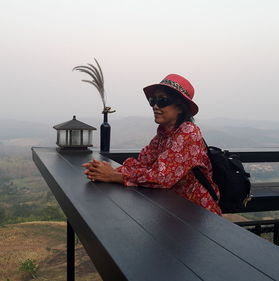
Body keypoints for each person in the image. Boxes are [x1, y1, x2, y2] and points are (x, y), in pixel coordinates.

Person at [82, 74, 221, 215]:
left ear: (180, 107)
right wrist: (110, 170)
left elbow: (160, 178)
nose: (155, 106)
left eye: (162, 101)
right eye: (152, 101)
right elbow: (142, 163)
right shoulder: (163, 135)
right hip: (174, 210)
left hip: (199, 215)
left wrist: (113, 176)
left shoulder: (188, 133)